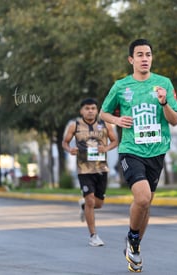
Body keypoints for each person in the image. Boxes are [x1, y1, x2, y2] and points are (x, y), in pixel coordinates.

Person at [99, 38, 177, 272]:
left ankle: (134, 246)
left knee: (146, 204)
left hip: (157, 151)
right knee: (142, 197)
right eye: (140, 55)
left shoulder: (163, 83)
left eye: (148, 54)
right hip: (131, 150)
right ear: (131, 60)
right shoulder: (121, 86)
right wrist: (117, 120)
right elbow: (104, 112)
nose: (145, 59)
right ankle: (133, 238)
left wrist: (164, 102)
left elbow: (174, 120)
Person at [62, 98, 118, 247]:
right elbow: (65, 142)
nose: (90, 111)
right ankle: (93, 235)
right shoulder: (75, 126)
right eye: (87, 108)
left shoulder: (105, 124)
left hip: (101, 169)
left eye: (93, 108)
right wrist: (70, 149)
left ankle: (84, 206)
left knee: (98, 204)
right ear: (81, 111)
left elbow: (114, 141)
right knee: (90, 200)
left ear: (97, 110)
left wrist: (106, 148)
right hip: (84, 169)